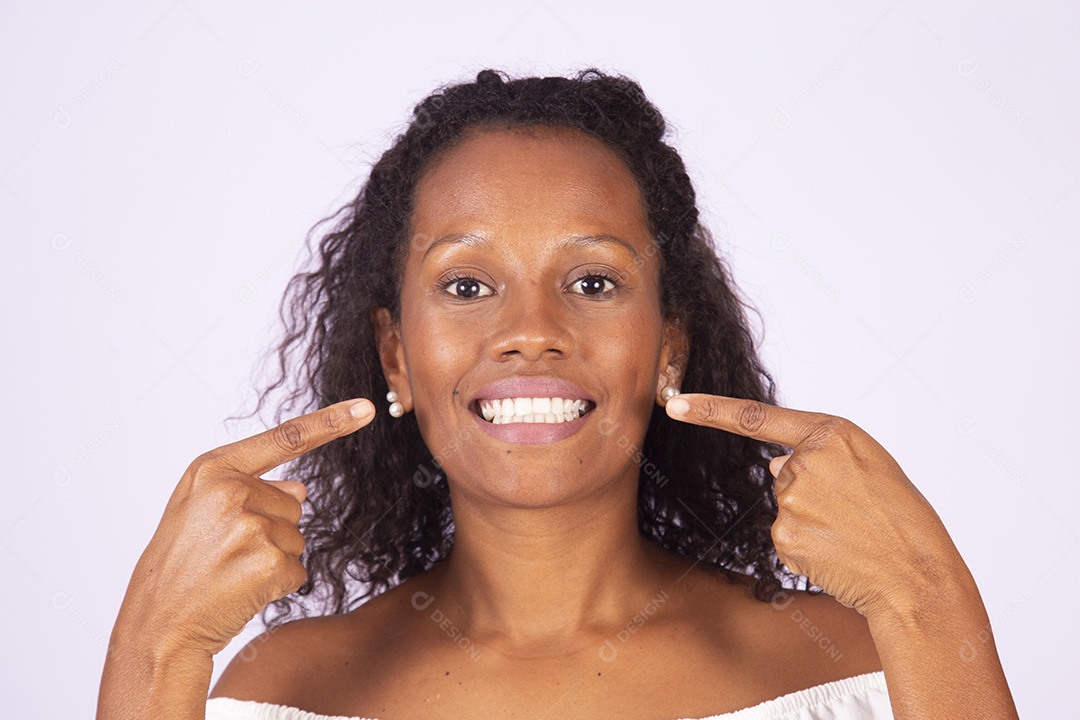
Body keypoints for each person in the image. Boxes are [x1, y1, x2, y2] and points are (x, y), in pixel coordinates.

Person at [97, 69, 1018, 720]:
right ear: (395, 357)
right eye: (466, 286)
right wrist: (153, 649)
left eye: (591, 283)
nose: (531, 328)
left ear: (669, 348)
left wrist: (927, 599)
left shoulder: (862, 670)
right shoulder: (278, 695)